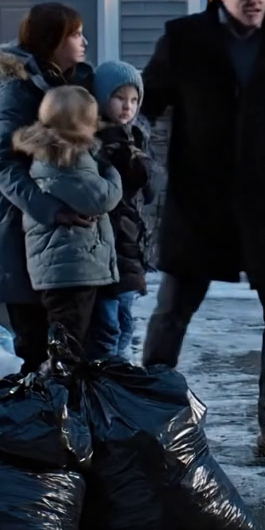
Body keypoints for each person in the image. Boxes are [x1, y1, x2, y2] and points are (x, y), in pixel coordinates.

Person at [140, 0, 265, 465]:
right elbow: (146, 101)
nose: (255, 1)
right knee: (173, 309)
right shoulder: (185, 38)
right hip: (200, 201)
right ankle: (146, 417)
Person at [0, 3, 95, 374]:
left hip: (68, 246)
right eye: (75, 34)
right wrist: (52, 210)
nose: (84, 42)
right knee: (34, 350)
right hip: (20, 230)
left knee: (74, 353)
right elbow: (3, 164)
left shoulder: (76, 84)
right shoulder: (17, 90)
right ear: (51, 41)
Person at [12, 85, 123, 350]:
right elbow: (102, 198)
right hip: (71, 270)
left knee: (69, 337)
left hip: (66, 267)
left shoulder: (51, 155)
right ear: (75, 126)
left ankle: (64, 374)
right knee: (69, 341)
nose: (96, 126)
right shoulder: (67, 158)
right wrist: (111, 169)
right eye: (90, 121)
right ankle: (62, 377)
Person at [88, 61, 153, 361]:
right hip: (107, 244)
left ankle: (120, 373)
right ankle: (107, 374)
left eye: (134, 99)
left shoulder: (136, 137)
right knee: (108, 325)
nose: (128, 106)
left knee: (126, 321)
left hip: (129, 243)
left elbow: (147, 191)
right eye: (119, 97)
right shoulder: (98, 141)